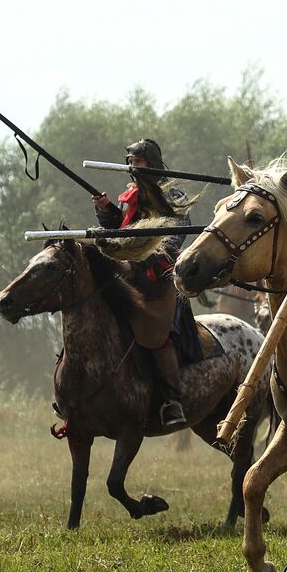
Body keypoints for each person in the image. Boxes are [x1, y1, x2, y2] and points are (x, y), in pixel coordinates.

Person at [91, 138, 193, 431]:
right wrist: (106, 210)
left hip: (157, 281)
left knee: (156, 334)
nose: (132, 167)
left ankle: (171, 400)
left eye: (138, 162)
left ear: (152, 163)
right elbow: (122, 234)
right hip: (128, 273)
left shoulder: (170, 195)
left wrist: (142, 257)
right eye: (131, 162)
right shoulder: (131, 197)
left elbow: (174, 236)